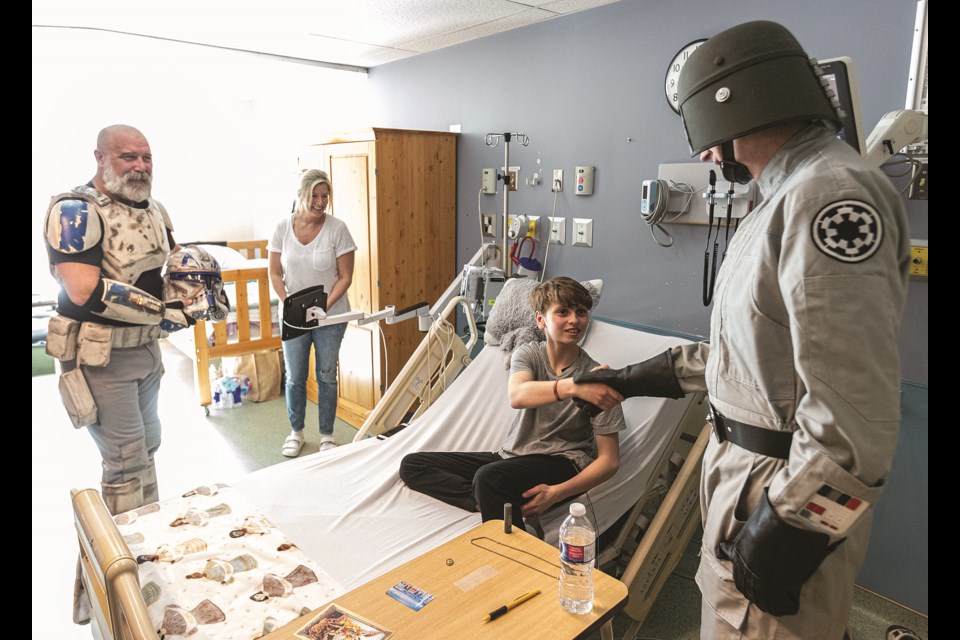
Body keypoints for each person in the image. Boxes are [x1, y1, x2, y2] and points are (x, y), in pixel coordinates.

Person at [574, 21, 910, 639]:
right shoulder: (779, 196)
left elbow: (854, 422)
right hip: (748, 473)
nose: (703, 153)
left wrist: (790, 531)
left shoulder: (826, 196)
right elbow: (755, 352)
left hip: (780, 484)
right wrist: (640, 376)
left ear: (739, 107)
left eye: (702, 131)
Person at [42, 124, 199, 624]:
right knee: (127, 466)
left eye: (147, 157)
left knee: (146, 454)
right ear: (100, 158)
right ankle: (113, 590)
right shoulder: (73, 210)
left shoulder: (155, 209)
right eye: (128, 157)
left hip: (147, 354)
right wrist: (161, 311)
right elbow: (85, 288)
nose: (140, 166)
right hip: (101, 359)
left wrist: (195, 290)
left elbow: (174, 263)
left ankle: (139, 562)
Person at [399, 276, 627, 533]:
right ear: (540, 320)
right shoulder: (528, 353)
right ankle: (487, 501)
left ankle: (511, 548)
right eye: (563, 312)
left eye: (581, 312)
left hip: (562, 462)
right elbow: (518, 395)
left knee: (488, 478)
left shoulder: (598, 379)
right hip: (511, 457)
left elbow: (609, 461)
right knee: (412, 465)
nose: (574, 320)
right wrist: (574, 386)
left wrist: (556, 493)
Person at [269, 169, 357, 457]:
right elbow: (274, 271)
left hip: (328, 316)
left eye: (325, 196)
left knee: (326, 375)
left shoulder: (338, 229)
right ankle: (296, 432)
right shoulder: (283, 227)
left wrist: (323, 308)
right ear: (301, 196)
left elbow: (345, 277)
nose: (320, 202)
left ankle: (327, 435)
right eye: (314, 196)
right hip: (293, 316)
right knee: (294, 377)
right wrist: (288, 304)